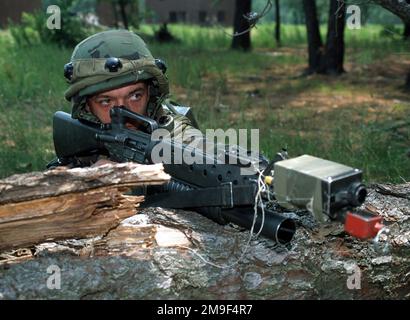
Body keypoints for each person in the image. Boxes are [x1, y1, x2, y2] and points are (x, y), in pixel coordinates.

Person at [47, 29, 200, 168]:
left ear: (150, 94)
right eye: (106, 101)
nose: (123, 113)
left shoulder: (178, 138)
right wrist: (86, 185)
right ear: (86, 107)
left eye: (135, 96)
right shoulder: (87, 141)